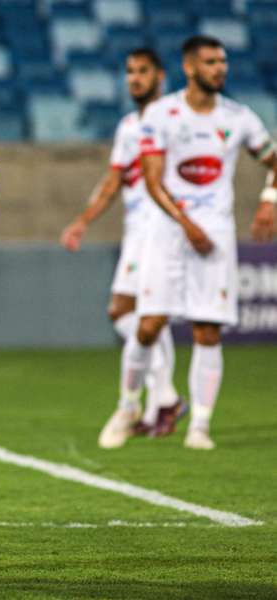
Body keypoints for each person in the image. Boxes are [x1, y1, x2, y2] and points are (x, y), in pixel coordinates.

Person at [112, 35, 277, 450]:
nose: (220, 68)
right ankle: (129, 404)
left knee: (208, 331)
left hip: (215, 236)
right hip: (169, 233)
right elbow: (152, 180)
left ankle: (199, 426)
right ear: (189, 67)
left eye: (222, 61)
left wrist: (269, 201)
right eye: (210, 62)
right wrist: (186, 222)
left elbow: (273, 160)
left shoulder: (239, 117)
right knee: (148, 325)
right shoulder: (163, 114)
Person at [60, 48, 185, 448]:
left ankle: (153, 401)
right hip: (138, 232)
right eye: (129, 71)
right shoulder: (131, 125)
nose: (134, 78)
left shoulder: (177, 119)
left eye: (142, 71)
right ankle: (164, 396)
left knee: (144, 318)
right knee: (128, 315)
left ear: (160, 76)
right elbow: (113, 181)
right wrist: (83, 220)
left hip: (164, 231)